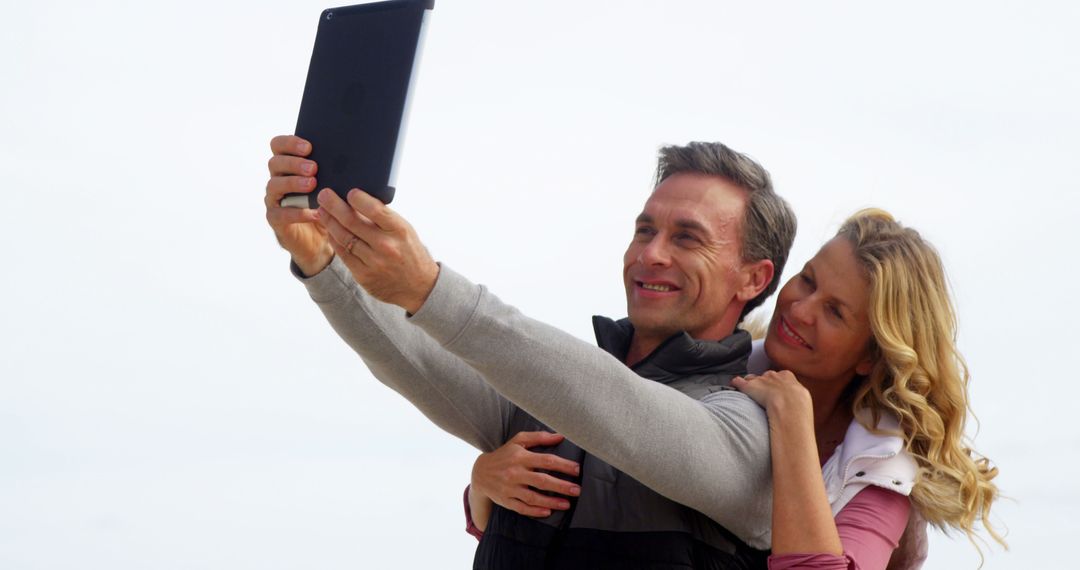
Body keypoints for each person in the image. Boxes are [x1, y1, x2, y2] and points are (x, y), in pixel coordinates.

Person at [264, 135, 798, 568]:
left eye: (687, 238)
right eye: (644, 230)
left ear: (753, 278)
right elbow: (418, 360)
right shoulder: (546, 394)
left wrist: (427, 286)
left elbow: (619, 407)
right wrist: (321, 258)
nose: (650, 253)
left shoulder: (753, 431)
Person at [453, 210, 1006, 569]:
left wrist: (792, 425)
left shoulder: (880, 476)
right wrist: (484, 486)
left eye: (835, 311)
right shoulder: (710, 366)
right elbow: (605, 512)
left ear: (870, 355)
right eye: (808, 280)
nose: (800, 309)